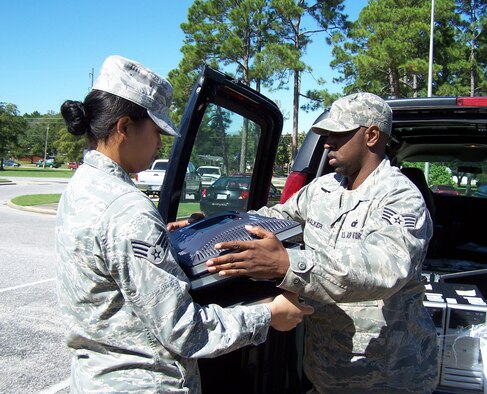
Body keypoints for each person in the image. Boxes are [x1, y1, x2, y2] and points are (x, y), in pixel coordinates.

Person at [55, 55, 313, 393]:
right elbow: (184, 331)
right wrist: (269, 314)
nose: (161, 144)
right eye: (156, 130)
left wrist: (161, 236)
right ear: (124, 128)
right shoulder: (128, 211)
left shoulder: (81, 187)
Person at [206, 93, 439, 393]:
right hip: (327, 372)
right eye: (327, 134)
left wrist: (288, 264)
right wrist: (212, 226)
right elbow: (273, 219)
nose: (328, 142)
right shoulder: (323, 189)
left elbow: (386, 268)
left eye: (338, 134)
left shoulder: (400, 198)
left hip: (388, 378)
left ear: (371, 135)